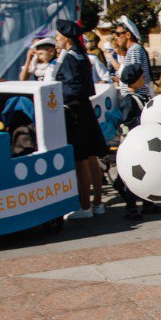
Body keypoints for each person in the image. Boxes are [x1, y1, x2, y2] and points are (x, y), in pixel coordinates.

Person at [52, 20, 108, 218]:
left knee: (80, 159)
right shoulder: (82, 56)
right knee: (92, 156)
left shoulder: (68, 58)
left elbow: (71, 87)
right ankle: (98, 204)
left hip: (74, 110)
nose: (55, 40)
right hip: (85, 107)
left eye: (58, 36)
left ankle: (84, 207)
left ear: (66, 38)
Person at [112, 64, 161, 220]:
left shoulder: (137, 97)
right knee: (134, 174)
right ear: (133, 81)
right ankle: (131, 206)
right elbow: (128, 120)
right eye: (141, 77)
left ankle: (147, 204)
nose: (144, 79)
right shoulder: (128, 99)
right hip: (132, 142)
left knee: (146, 172)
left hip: (140, 140)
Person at [112, 16, 152, 97]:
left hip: (136, 96)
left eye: (118, 34)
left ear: (128, 35)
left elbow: (134, 77)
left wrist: (131, 97)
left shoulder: (134, 50)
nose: (116, 37)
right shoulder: (133, 49)